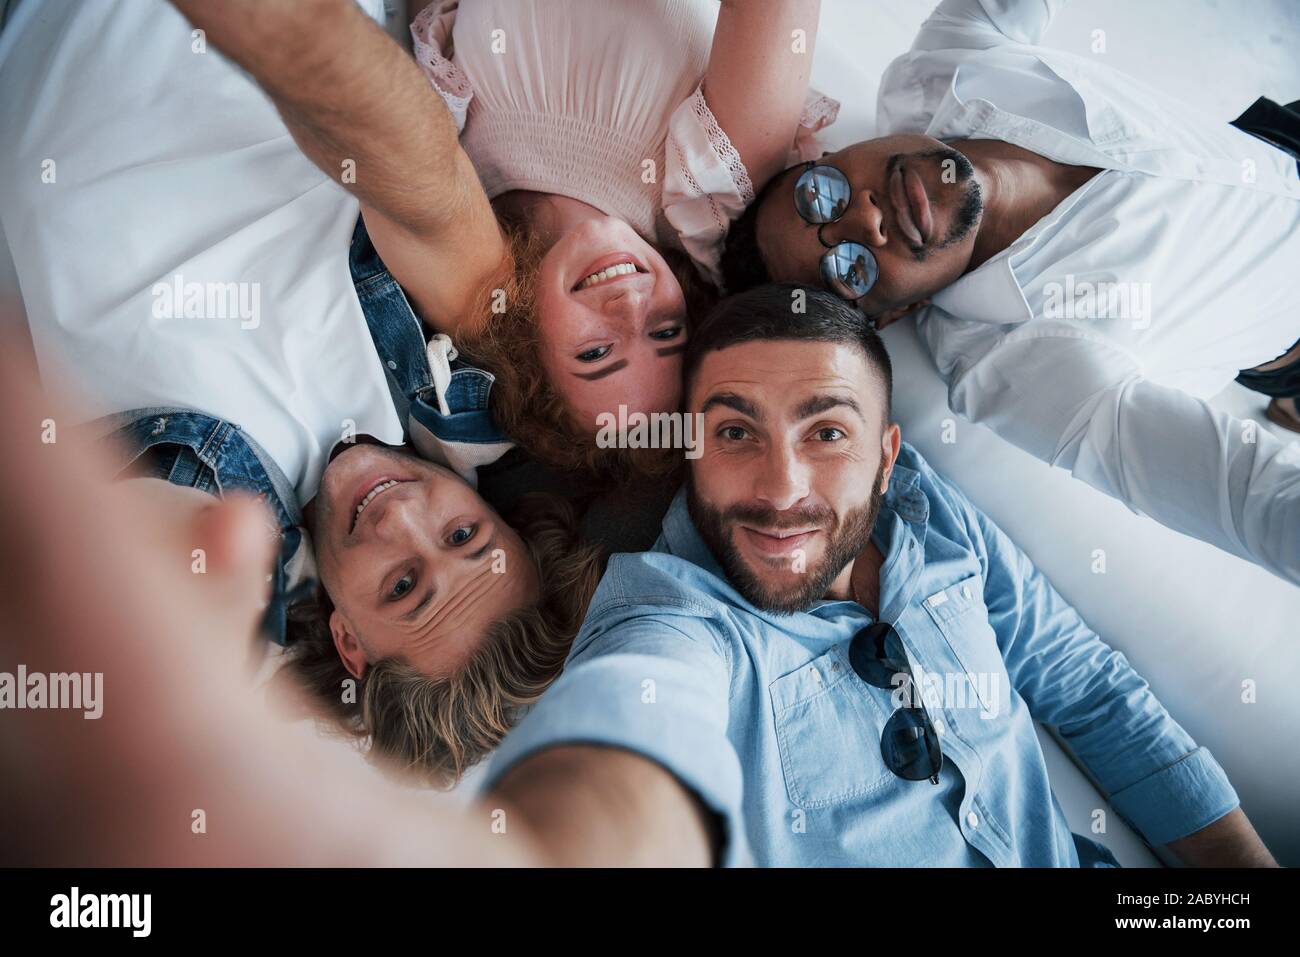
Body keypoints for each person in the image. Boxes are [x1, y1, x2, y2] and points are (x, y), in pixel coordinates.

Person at [0, 0, 602, 784]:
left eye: (403, 584)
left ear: (349, 641)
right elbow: (423, 180)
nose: (404, 516)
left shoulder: (215, 534)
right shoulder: (460, 376)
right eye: (463, 537)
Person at [476, 285, 1274, 866]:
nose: (782, 490)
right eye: (735, 432)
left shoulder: (935, 520)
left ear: (887, 456)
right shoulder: (672, 614)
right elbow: (631, 731)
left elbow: (1084, 686)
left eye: (826, 431)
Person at [719, 0, 1300, 585]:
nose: (865, 221)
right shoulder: (1020, 365)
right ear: (897, 313)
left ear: (830, 154)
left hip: (1273, 144)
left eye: (822, 195)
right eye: (849, 268)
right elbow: (1250, 497)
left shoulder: (942, 70)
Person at [406, 0, 836, 477]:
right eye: (666, 331)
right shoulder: (717, 188)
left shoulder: (457, 176)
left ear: (521, 348)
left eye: (596, 352)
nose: (631, 306)